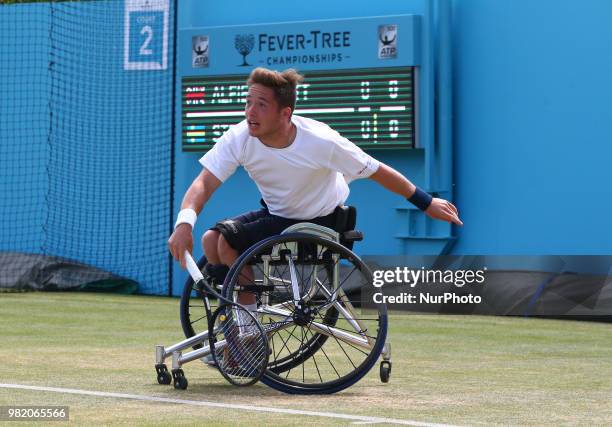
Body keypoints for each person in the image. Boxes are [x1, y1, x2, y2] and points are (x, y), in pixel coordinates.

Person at [168, 67, 462, 293]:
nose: (250, 112)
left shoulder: (321, 141)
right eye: (248, 103)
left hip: (320, 221)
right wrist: (184, 224)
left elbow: (377, 170)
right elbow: (204, 184)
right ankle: (243, 316)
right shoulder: (240, 137)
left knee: (224, 244)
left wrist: (426, 202)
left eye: (261, 105)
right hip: (278, 215)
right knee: (210, 240)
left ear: (286, 113)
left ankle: (246, 326)